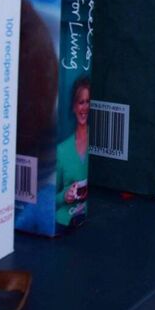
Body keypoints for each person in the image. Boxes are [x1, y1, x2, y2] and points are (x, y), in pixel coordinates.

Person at [55, 75, 91, 228]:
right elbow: (50, 199)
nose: (85, 107)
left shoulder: (93, 138)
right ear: (74, 107)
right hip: (63, 223)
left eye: (88, 101)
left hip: (86, 217)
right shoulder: (62, 150)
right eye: (80, 102)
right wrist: (65, 195)